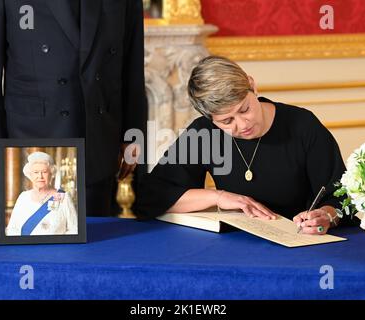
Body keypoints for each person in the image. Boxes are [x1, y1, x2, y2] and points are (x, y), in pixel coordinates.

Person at [0, 0, 147, 216]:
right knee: (35, 244)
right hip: (29, 141)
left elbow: (132, 65)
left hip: (98, 140)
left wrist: (133, 134)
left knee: (96, 243)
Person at [136, 56, 346, 235]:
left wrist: (326, 215)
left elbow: (343, 199)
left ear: (252, 85)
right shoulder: (205, 132)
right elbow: (154, 195)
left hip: (301, 242)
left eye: (245, 109)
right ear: (210, 119)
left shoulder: (302, 125)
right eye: (227, 121)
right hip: (234, 244)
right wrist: (219, 198)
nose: (243, 124)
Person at [6, 152, 77, 236]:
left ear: (51, 174)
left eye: (44, 172)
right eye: (36, 172)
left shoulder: (63, 197)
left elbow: (74, 229)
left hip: (56, 247)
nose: (40, 176)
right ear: (30, 175)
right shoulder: (23, 197)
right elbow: (11, 229)